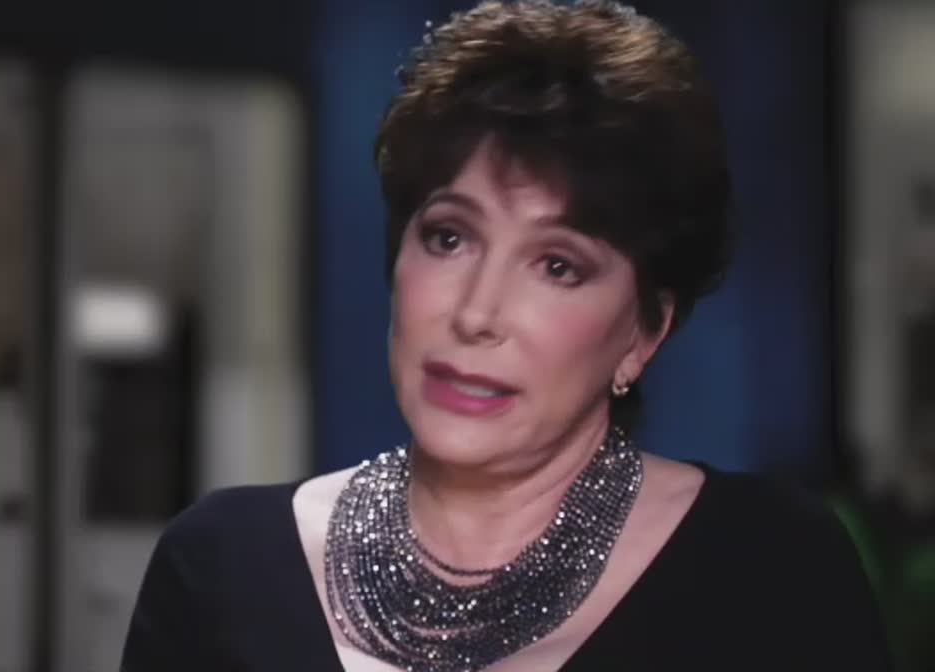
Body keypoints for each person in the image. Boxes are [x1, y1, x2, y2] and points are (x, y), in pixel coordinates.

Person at [121, 1, 894, 669]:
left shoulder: (768, 567)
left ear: (645, 332)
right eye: (450, 238)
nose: (477, 313)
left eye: (558, 265)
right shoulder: (221, 566)